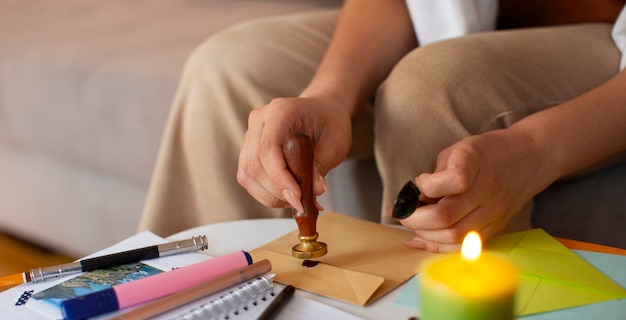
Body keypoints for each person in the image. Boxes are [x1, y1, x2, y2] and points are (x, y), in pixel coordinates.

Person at [139, 0, 626, 253]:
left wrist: (536, 148)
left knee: (433, 86)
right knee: (231, 66)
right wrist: (328, 95)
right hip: (479, 21)